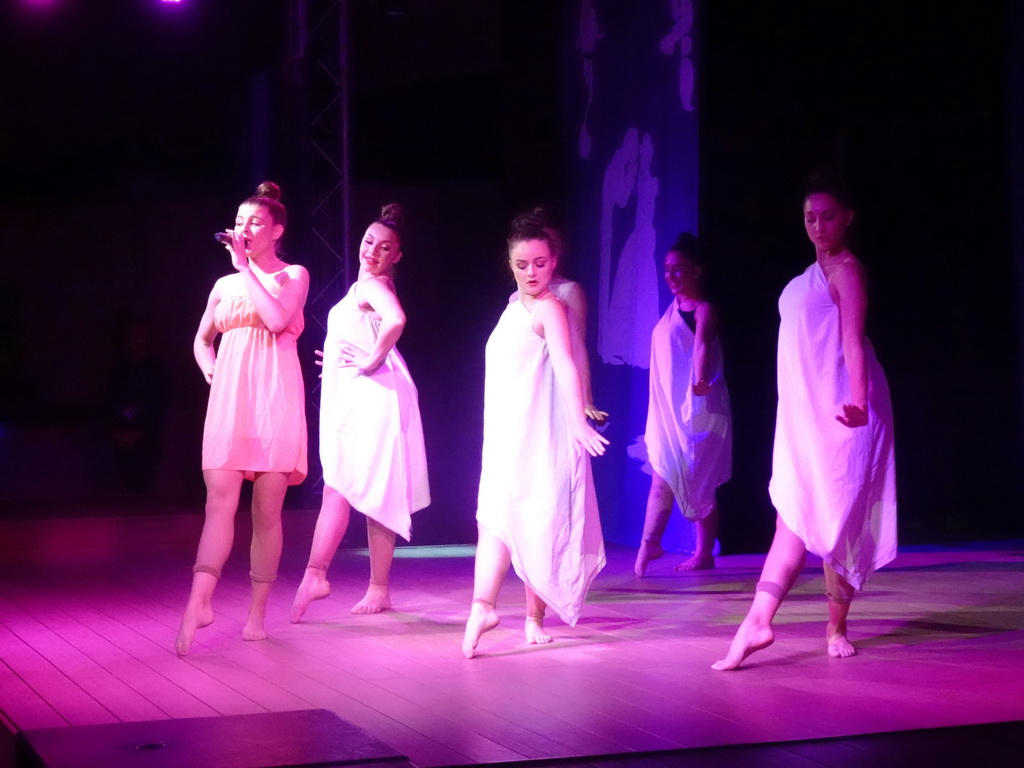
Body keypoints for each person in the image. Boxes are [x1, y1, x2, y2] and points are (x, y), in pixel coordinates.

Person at [712, 175, 896, 671]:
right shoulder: (808, 275)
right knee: (792, 514)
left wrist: (858, 401)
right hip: (805, 416)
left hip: (845, 416)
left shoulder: (847, 272)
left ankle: (835, 626)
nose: (817, 225)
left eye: (828, 215)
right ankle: (757, 622)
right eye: (810, 217)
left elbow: (853, 341)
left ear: (848, 217)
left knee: (838, 523)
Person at [463, 210, 609, 659]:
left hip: (538, 430)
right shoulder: (513, 307)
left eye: (540, 263)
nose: (532, 272)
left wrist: (579, 416)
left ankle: (532, 616)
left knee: (534, 514)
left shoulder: (551, 305)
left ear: (553, 261)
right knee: (495, 516)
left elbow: (566, 361)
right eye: (523, 264)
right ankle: (482, 607)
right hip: (508, 431)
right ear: (510, 264)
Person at [176, 181, 309, 656]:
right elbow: (200, 337)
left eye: (253, 222)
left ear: (276, 229)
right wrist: (207, 363)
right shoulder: (222, 286)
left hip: (274, 397)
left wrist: (246, 269)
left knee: (266, 510)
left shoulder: (293, 274)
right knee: (219, 502)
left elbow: (276, 321)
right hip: (232, 397)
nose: (243, 228)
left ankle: (256, 613)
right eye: (238, 221)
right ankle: (200, 601)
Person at [291, 203, 430, 621]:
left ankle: (367, 585)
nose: (373, 251)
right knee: (342, 484)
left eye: (385, 247)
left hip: (373, 394)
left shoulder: (375, 286)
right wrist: (338, 355)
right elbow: (372, 327)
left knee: (365, 488)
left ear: (396, 257)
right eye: (370, 242)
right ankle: (320, 575)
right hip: (361, 393)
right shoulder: (364, 287)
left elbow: (396, 320)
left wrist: (370, 361)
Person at [633, 233, 732, 576]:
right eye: (667, 270)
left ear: (696, 271)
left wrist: (700, 381)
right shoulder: (671, 311)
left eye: (678, 270)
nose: (670, 276)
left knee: (699, 481)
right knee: (662, 475)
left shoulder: (703, 309)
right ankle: (651, 543)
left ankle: (703, 552)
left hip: (700, 411)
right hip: (671, 414)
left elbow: (701, 344)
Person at [509, 207, 607, 425]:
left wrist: (586, 399)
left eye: (552, 244)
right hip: (524, 389)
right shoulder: (514, 299)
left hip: (555, 385)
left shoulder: (568, 291)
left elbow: (577, 345)